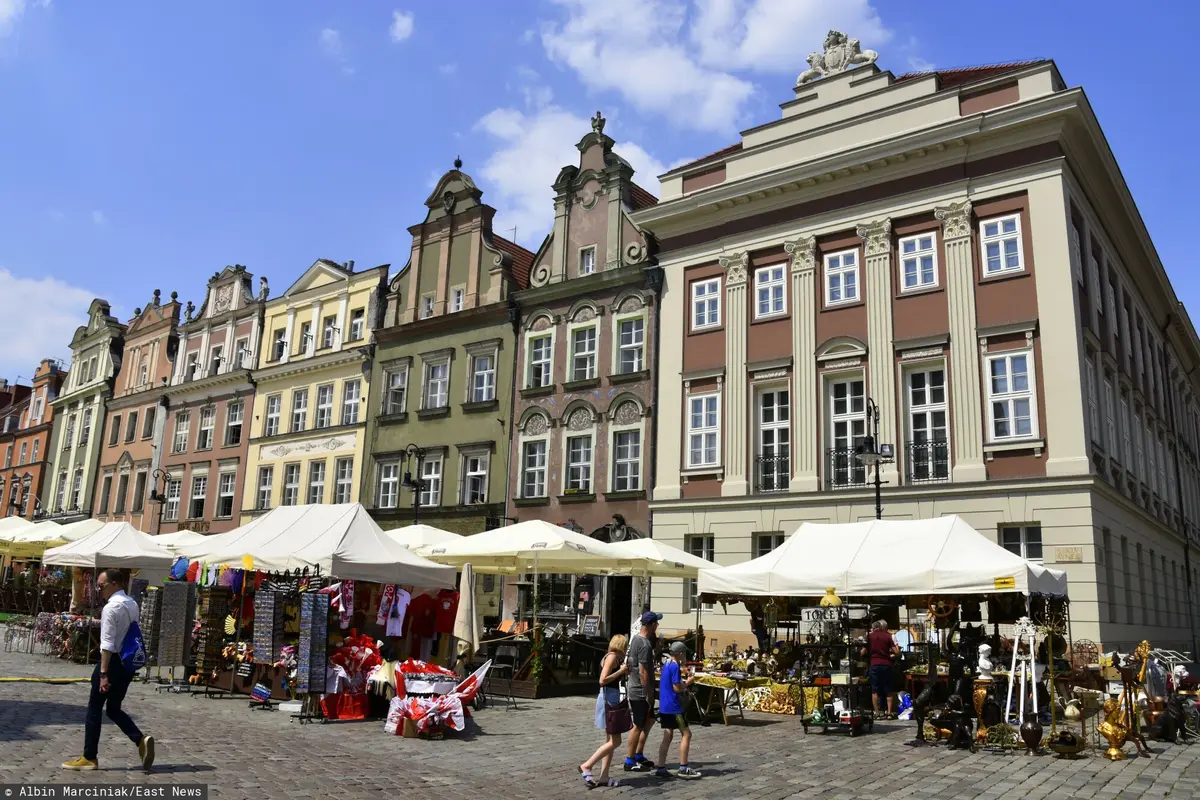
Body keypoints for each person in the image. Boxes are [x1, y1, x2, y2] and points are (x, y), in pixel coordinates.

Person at [63, 569, 154, 771]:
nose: (99, 589)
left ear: (114, 584)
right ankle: (140, 740)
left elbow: (107, 644)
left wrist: (103, 674)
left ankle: (89, 757)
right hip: (127, 663)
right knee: (113, 708)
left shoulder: (111, 608)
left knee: (94, 709)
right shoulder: (132, 603)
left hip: (112, 662)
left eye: (102, 585)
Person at [579, 634, 630, 788]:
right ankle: (587, 765)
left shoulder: (612, 657)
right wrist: (620, 672)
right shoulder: (612, 658)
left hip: (610, 698)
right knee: (616, 741)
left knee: (610, 741)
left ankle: (604, 776)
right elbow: (602, 680)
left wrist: (623, 672)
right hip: (609, 699)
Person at [655, 641, 702, 779]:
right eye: (684, 653)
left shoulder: (668, 663)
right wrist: (688, 682)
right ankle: (683, 767)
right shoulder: (674, 666)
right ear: (680, 653)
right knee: (686, 734)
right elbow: (676, 688)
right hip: (674, 708)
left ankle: (661, 767)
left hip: (664, 705)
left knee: (667, 736)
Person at [623, 611, 661, 772]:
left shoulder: (636, 640)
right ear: (651, 625)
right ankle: (629, 760)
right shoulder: (644, 644)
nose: (658, 626)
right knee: (638, 725)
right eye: (656, 623)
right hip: (640, 691)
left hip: (634, 687)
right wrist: (649, 693)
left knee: (649, 721)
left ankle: (638, 754)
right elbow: (643, 672)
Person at [865, 619, 900, 719]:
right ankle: (889, 713)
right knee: (888, 690)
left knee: (874, 690)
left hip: (874, 664)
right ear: (881, 627)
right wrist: (888, 653)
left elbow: (863, 651)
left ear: (873, 628)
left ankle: (877, 713)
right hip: (886, 665)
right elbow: (896, 652)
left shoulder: (869, 636)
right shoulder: (888, 636)